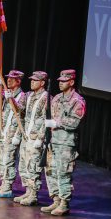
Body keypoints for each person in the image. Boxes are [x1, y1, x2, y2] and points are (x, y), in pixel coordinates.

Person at [41, 69, 86, 216]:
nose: (60, 83)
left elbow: (74, 123)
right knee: (51, 172)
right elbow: (49, 117)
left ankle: (64, 203)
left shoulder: (77, 101)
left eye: (64, 81)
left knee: (63, 173)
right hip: (53, 141)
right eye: (59, 81)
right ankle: (55, 200)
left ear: (71, 82)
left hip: (66, 143)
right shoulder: (56, 98)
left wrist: (56, 122)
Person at [14, 71, 49, 206]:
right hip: (26, 136)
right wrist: (11, 99)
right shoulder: (28, 95)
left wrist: (41, 138)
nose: (32, 82)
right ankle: (28, 191)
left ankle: (33, 194)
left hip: (35, 138)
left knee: (33, 166)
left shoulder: (46, 97)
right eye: (31, 79)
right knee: (24, 165)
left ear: (42, 83)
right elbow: (20, 111)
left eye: (35, 80)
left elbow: (46, 119)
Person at [0, 70, 26, 197]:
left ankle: (7, 187)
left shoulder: (22, 96)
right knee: (1, 159)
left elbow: (21, 112)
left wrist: (17, 135)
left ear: (18, 81)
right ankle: (3, 183)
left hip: (12, 133)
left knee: (8, 160)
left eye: (11, 79)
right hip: (3, 131)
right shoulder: (7, 94)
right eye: (8, 78)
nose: (8, 80)